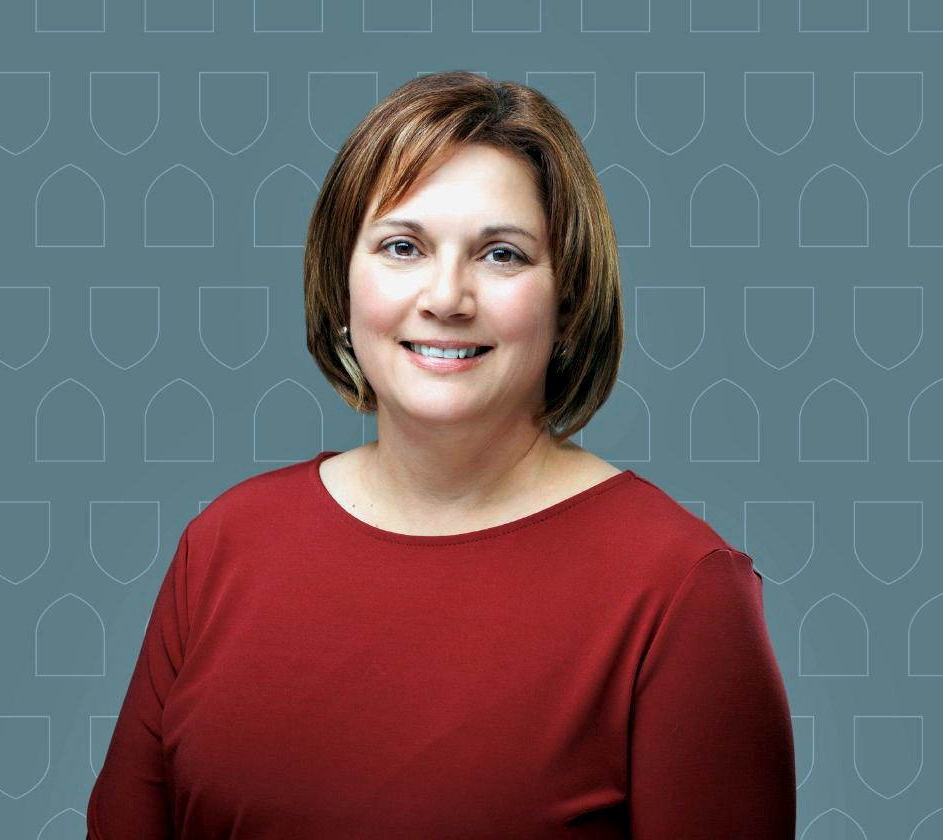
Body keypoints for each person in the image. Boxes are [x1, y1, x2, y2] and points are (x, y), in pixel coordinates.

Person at [86, 71, 795, 838]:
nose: (447, 297)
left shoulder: (680, 591)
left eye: (501, 255)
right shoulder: (223, 546)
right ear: (343, 284)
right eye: (402, 246)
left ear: (568, 303)